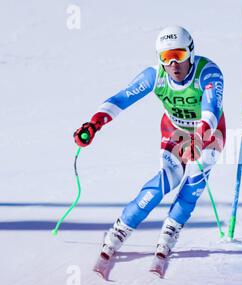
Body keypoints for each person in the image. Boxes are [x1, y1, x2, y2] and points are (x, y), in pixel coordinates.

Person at [73, 26, 226, 264]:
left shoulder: (209, 72)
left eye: (179, 54)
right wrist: (94, 124)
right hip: (175, 131)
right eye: (166, 57)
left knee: (194, 181)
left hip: (209, 133)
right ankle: (121, 228)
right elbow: (121, 98)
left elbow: (212, 110)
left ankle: (171, 229)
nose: (174, 63)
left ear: (191, 53)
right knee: (169, 177)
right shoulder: (155, 76)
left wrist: (198, 138)